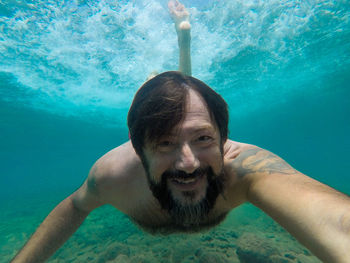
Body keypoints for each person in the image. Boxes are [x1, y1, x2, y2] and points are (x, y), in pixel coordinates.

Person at [12, 1, 350, 263]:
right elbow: (74, 206)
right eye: (163, 143)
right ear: (138, 149)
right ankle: (161, 77)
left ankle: (181, 44)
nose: (188, 164)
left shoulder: (244, 168)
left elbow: (338, 224)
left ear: (223, 140)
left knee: (182, 101)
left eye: (204, 138)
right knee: (167, 104)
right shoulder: (112, 175)